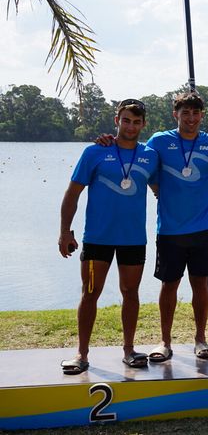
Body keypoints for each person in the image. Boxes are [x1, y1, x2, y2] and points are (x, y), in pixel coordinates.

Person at [57, 99, 158, 374]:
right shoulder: (94, 152)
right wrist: (65, 231)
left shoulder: (149, 155)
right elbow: (72, 194)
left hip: (134, 238)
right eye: (126, 120)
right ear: (117, 120)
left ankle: (129, 350)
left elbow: (165, 189)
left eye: (137, 122)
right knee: (90, 292)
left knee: (131, 293)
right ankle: (82, 353)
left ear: (143, 124)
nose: (131, 126)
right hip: (97, 238)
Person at [144, 92, 208, 361]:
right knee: (169, 285)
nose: (191, 118)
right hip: (169, 228)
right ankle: (165, 341)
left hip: (203, 226)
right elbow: (146, 172)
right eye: (185, 113)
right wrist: (160, 192)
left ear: (202, 115)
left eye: (195, 113)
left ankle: (201, 339)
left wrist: (202, 185)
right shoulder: (159, 141)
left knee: (201, 284)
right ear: (175, 114)